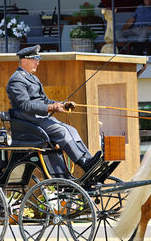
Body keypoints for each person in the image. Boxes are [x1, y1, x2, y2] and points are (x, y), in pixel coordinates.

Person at [6, 45, 102, 176]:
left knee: (72, 130)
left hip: (39, 119)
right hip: (29, 121)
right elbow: (25, 105)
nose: (38, 62)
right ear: (24, 61)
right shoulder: (17, 80)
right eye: (35, 59)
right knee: (62, 131)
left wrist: (62, 104)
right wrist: (51, 107)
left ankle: (88, 161)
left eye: (38, 59)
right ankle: (84, 162)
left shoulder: (33, 78)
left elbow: (45, 100)